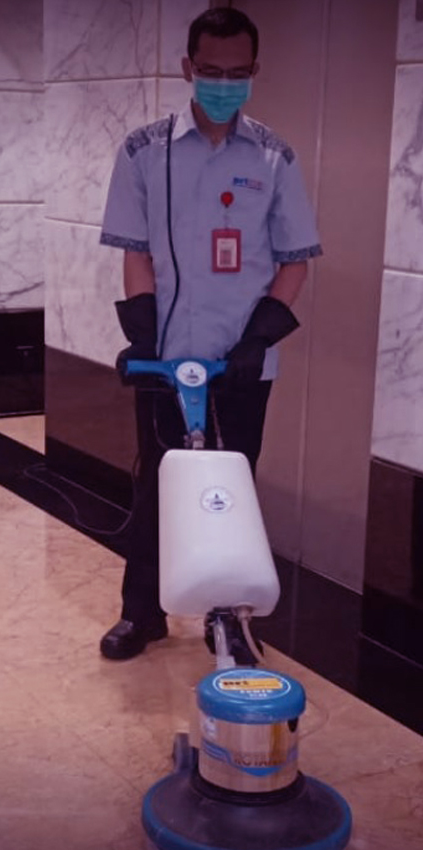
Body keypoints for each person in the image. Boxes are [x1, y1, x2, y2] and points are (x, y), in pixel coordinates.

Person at [98, 7, 322, 661]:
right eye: (211, 71)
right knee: (158, 484)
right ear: (188, 68)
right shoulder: (143, 151)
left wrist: (257, 341)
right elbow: (136, 251)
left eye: (237, 72)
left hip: (242, 364)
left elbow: (295, 262)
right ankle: (142, 613)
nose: (224, 83)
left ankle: (229, 620)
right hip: (169, 361)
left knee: (233, 490)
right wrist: (144, 339)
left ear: (255, 70)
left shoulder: (275, 157)